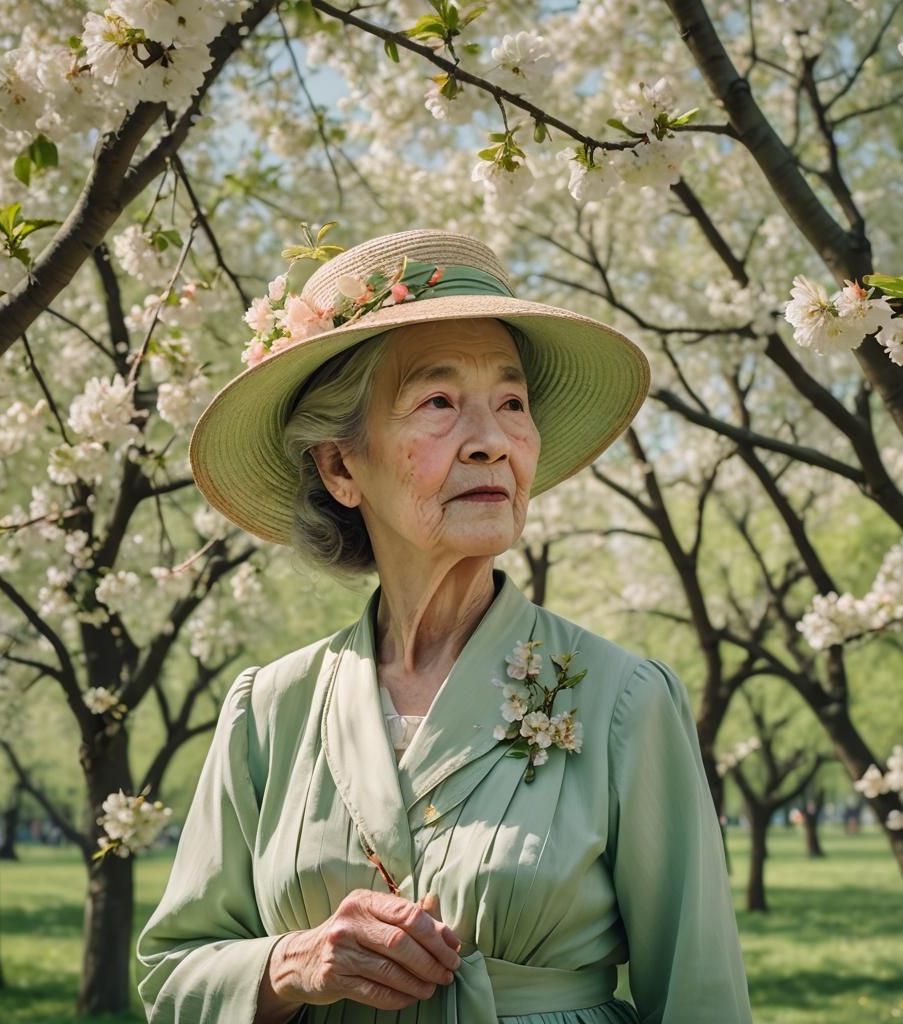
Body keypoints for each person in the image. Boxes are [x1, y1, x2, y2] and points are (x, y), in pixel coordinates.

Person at [136, 229, 752, 1023]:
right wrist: (291, 964)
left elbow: (701, 1002)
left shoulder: (623, 700)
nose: (492, 443)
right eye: (437, 402)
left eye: (511, 403)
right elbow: (172, 979)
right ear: (340, 467)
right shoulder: (269, 710)